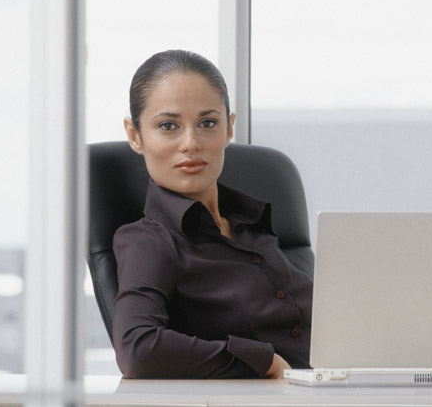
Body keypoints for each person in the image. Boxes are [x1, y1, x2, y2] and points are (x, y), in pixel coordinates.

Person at [112, 50, 312, 379]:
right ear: (135, 135)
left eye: (207, 123)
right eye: (168, 126)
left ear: (229, 128)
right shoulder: (150, 241)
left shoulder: (252, 225)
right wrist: (265, 361)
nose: (191, 143)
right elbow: (138, 348)